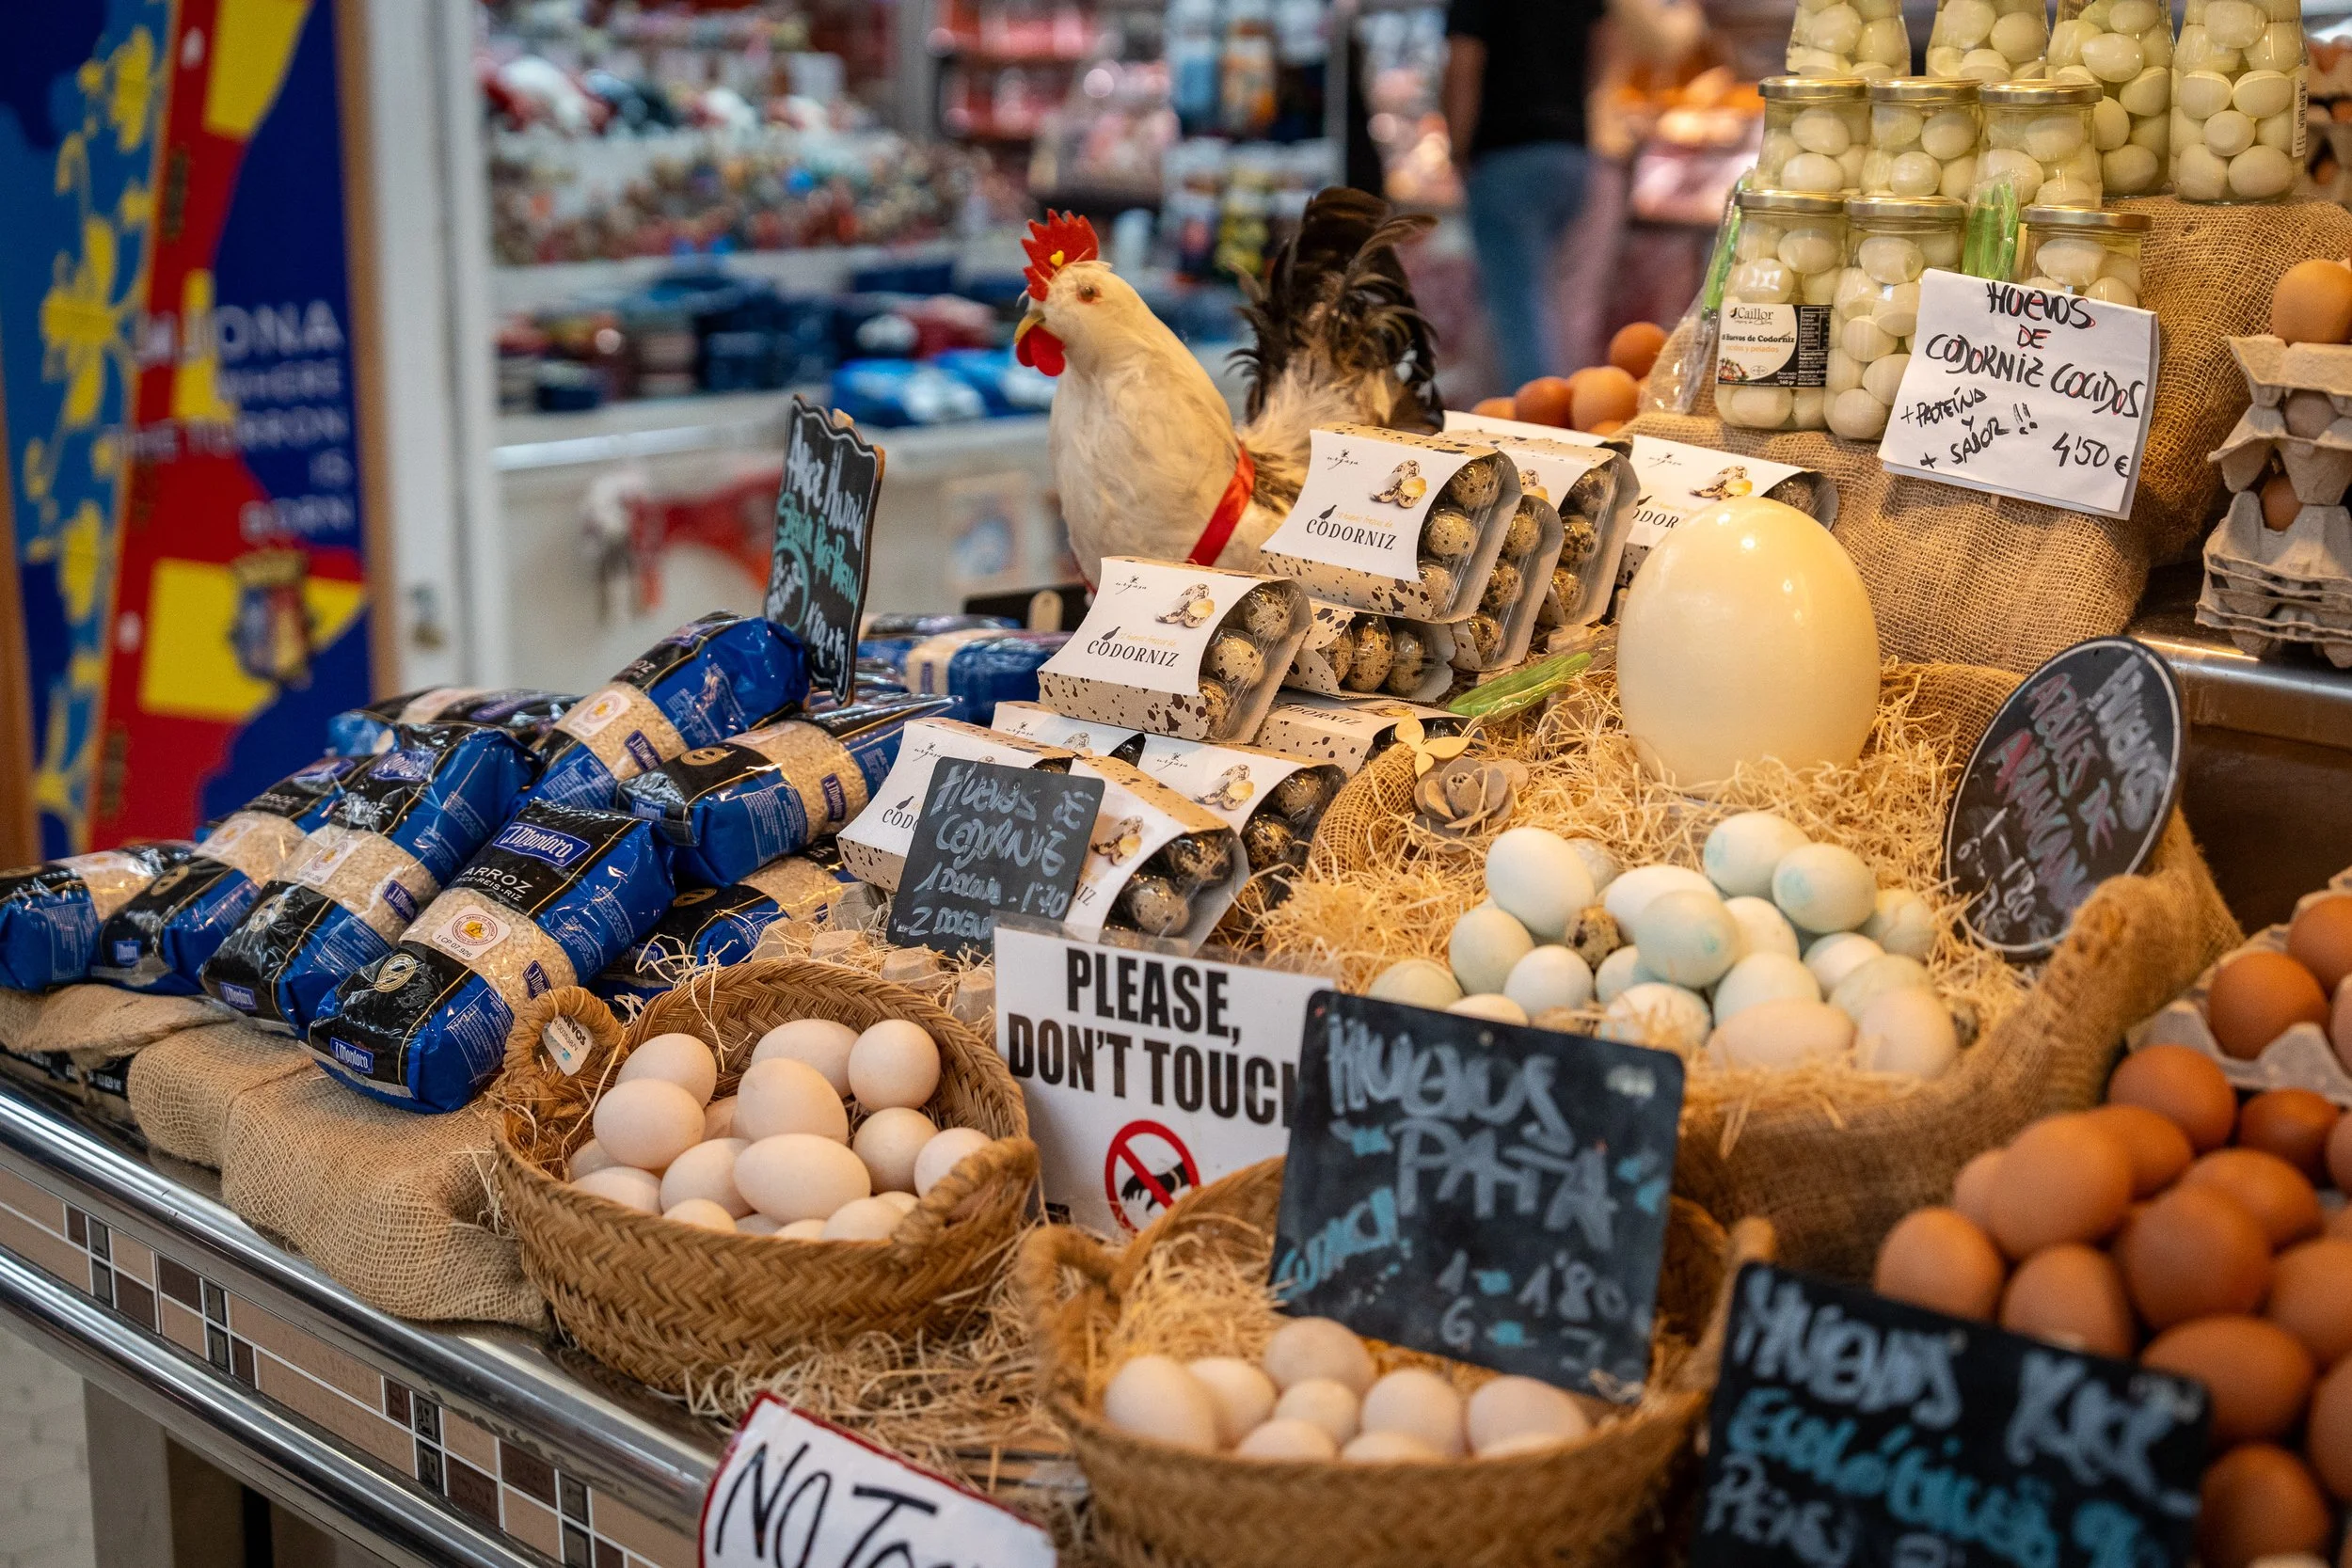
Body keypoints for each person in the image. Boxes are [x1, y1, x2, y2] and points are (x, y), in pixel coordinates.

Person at [1444, 0, 1701, 389]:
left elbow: (1463, 62)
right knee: (1564, 310)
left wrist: (1459, 146)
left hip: (1507, 152)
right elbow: (1603, 46)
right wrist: (1573, 111)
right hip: (1574, 152)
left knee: (1519, 310)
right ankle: (1562, 412)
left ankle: (1538, 425)